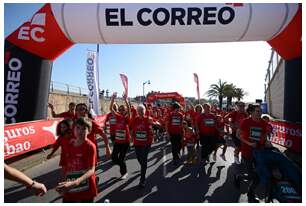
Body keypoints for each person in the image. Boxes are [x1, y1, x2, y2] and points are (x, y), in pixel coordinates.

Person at [56, 117, 97, 203]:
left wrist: (76, 182)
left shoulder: (90, 146)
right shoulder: (70, 144)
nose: (80, 131)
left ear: (89, 131)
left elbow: (91, 170)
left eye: (84, 129)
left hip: (85, 186)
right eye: (78, 128)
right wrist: (63, 181)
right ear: (74, 129)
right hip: (70, 184)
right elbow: (67, 165)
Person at [234, 104, 269, 203]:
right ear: (251, 112)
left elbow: (264, 135)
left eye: (260, 111)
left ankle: (251, 194)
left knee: (258, 176)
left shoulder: (263, 122)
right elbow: (237, 135)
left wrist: (266, 142)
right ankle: (239, 176)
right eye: (257, 111)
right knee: (251, 175)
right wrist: (249, 143)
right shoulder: (246, 122)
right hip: (247, 151)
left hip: (259, 151)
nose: (260, 113)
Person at [131, 104, 153, 188]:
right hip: (137, 143)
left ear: (144, 111)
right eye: (139, 111)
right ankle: (143, 167)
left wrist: (151, 125)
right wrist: (132, 138)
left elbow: (151, 130)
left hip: (146, 143)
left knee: (143, 159)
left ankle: (142, 179)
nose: (140, 112)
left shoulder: (148, 119)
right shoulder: (135, 119)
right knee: (139, 158)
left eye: (142, 111)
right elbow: (133, 130)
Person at [110, 92, 131, 179]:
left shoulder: (126, 118)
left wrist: (126, 101)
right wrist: (113, 99)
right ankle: (122, 165)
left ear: (125, 111)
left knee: (121, 158)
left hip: (125, 142)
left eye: (123, 110)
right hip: (118, 141)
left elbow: (129, 111)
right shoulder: (117, 117)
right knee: (114, 157)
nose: (121, 111)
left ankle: (124, 172)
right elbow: (111, 108)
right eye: (120, 110)